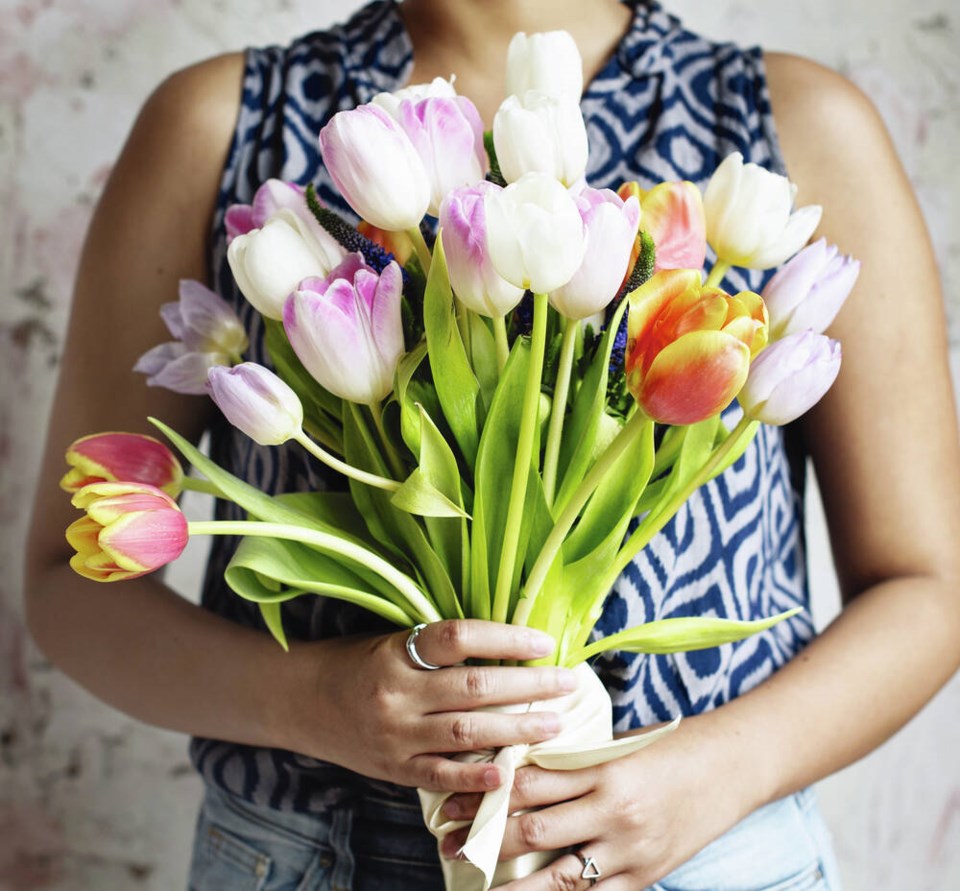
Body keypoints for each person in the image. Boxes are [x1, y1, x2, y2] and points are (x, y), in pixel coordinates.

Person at [24, 0, 960, 888]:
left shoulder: (790, 125)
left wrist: (707, 778)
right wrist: (320, 701)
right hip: (313, 852)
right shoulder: (222, 122)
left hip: (711, 851)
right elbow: (69, 589)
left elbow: (930, 587)